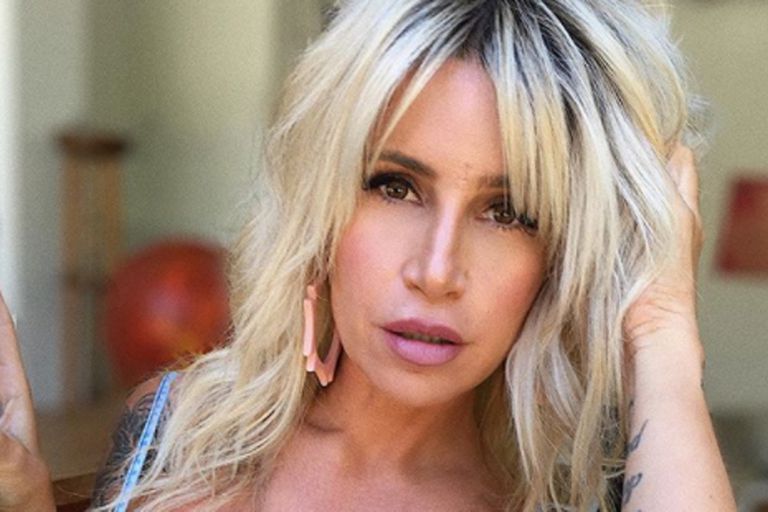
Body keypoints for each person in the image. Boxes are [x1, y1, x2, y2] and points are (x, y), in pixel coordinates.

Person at [0, 0, 737, 510]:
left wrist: (663, 332)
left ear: (562, 254)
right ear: (322, 201)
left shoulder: (570, 498)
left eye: (508, 212)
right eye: (395, 186)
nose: (436, 271)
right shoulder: (170, 429)